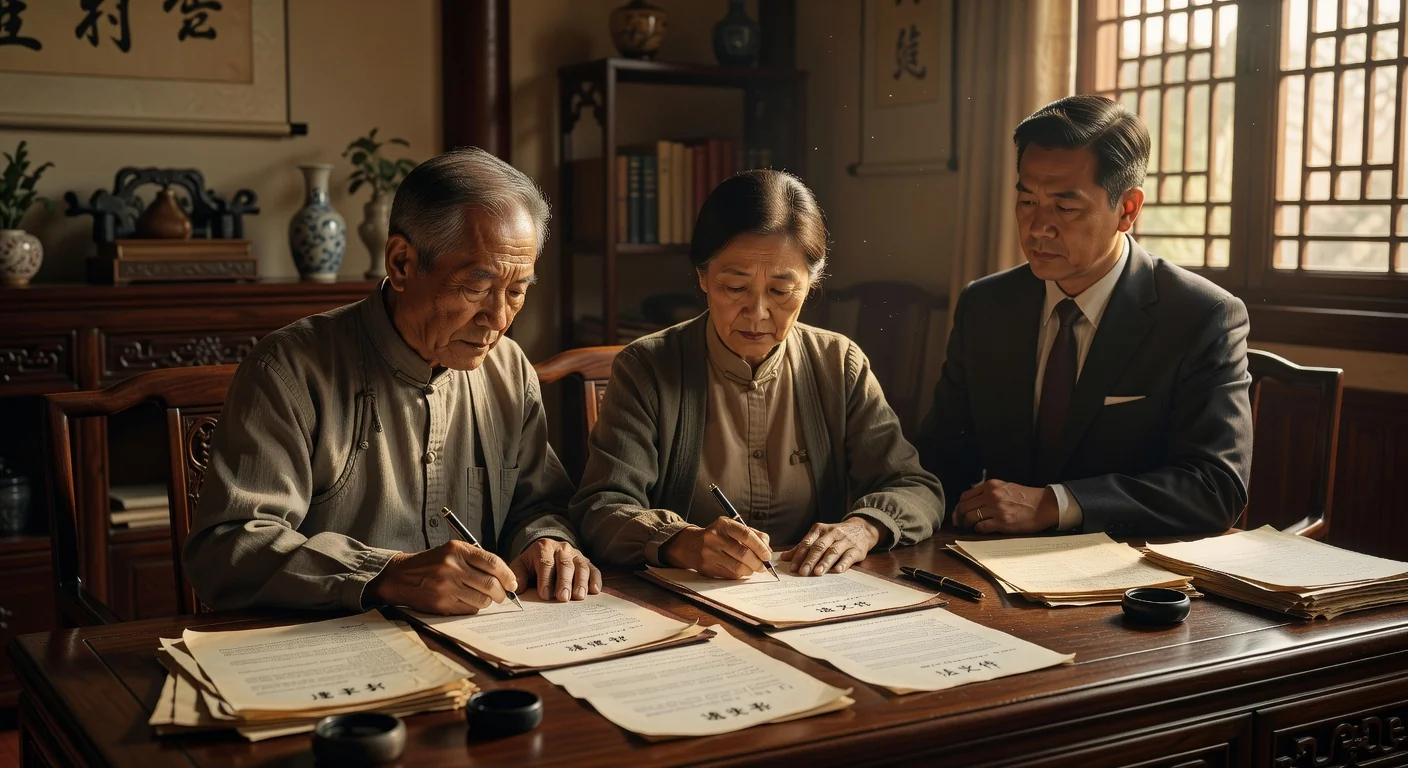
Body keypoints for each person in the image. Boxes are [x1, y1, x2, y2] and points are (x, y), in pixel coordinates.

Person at [185, 147, 601, 613]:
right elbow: (228, 548)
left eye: (517, 291)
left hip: (478, 647)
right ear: (402, 263)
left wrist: (547, 541)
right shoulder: (290, 370)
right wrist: (386, 574)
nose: (499, 318)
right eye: (476, 287)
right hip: (325, 649)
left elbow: (539, 504)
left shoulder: (508, 369)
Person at [571, 170, 943, 579]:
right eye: (734, 287)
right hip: (691, 603)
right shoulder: (647, 367)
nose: (758, 312)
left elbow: (916, 487)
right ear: (703, 276)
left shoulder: (839, 364)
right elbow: (601, 509)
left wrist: (863, 528)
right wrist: (683, 542)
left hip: (813, 600)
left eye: (782, 292)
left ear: (810, 283)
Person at [916, 94, 1252, 538]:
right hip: (989, 562)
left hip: (1126, 574)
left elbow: (1215, 488)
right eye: (1027, 202)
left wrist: (1056, 505)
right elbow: (939, 460)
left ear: (1127, 210)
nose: (1038, 228)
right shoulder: (986, 305)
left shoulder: (1200, 315)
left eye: (1065, 207)